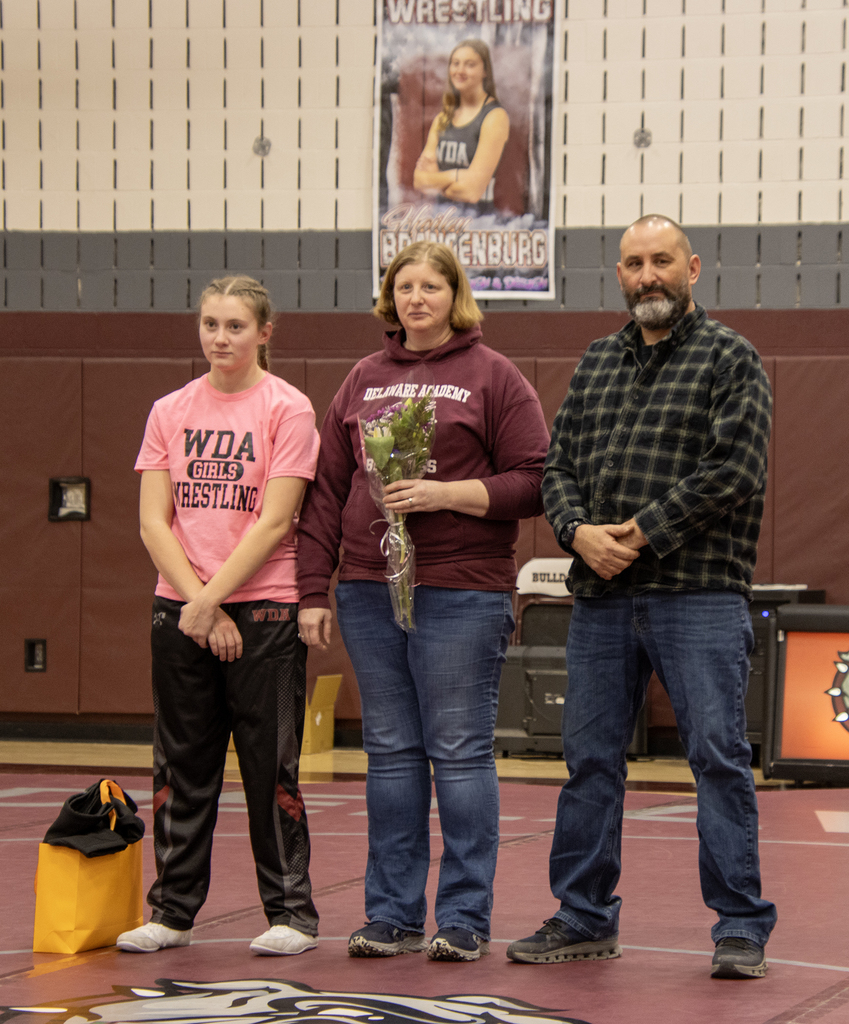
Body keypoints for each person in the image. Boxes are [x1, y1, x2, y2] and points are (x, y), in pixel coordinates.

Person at [507, 216, 777, 979]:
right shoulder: (597, 362)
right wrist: (577, 531)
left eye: (661, 261)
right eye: (633, 263)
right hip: (599, 600)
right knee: (589, 761)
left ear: (691, 268)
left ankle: (739, 926)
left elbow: (734, 470)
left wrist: (638, 532)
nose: (647, 275)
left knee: (716, 759)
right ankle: (583, 916)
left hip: (698, 597)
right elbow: (556, 468)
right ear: (618, 274)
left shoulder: (731, 357)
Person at [296, 241, 548, 962]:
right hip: (369, 592)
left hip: (461, 591)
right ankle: (392, 915)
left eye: (430, 286)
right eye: (403, 286)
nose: (416, 298)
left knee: (460, 753)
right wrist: (313, 587)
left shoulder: (493, 377)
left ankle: (463, 918)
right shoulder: (363, 379)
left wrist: (445, 495)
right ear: (389, 297)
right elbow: (325, 493)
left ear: (454, 295)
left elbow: (533, 480)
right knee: (391, 755)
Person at [119, 276, 321, 957]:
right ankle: (172, 911)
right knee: (181, 761)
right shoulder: (169, 409)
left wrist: (212, 603)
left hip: (262, 608)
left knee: (270, 765)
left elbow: (275, 522)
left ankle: (290, 912)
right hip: (180, 610)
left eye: (235, 326)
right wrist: (196, 604)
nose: (220, 338)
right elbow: (153, 522)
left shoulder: (287, 410)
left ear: (264, 332)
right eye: (210, 324)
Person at [413, 39, 510, 211]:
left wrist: (436, 181)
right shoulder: (443, 119)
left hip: (481, 223)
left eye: (470, 65)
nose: (460, 71)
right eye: (455, 64)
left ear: (485, 71)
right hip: (443, 220)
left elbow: (472, 192)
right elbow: (419, 181)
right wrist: (455, 175)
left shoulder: (495, 117)